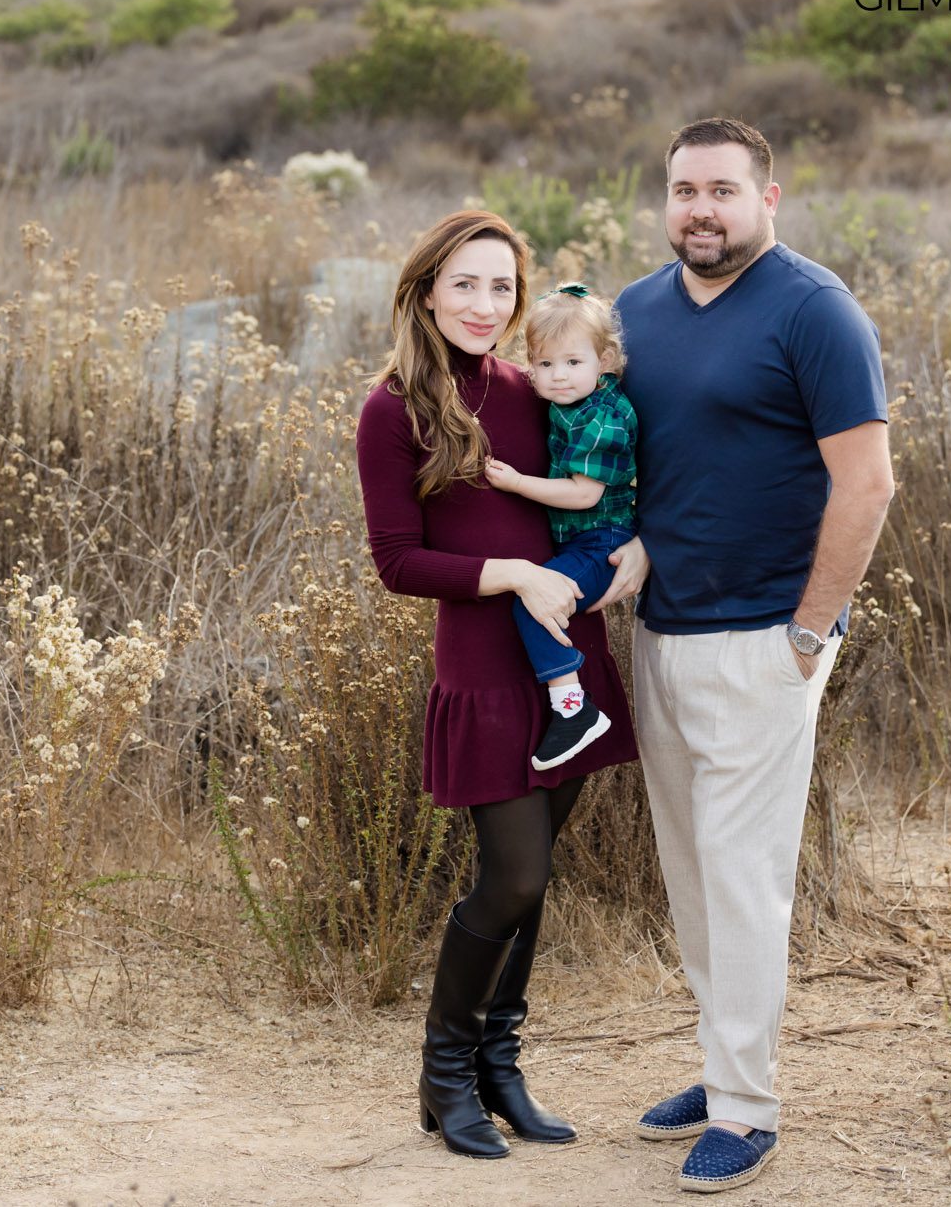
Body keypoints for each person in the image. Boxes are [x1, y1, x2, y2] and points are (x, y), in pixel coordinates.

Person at [596, 119, 895, 1193]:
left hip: (767, 638)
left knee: (744, 876)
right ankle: (724, 1061)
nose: (701, 210)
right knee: (690, 872)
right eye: (684, 190)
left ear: (768, 197)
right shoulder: (635, 311)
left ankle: (746, 1110)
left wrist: (809, 631)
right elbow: (626, 459)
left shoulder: (815, 311)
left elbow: (866, 482)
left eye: (723, 190)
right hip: (661, 632)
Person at [355, 211, 639, 1160]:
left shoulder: (537, 387)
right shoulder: (394, 408)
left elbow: (609, 482)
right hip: (483, 665)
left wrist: (635, 547)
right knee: (511, 874)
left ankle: (499, 1066)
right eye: (465, 284)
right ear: (426, 291)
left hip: (567, 658)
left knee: (536, 875)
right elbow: (397, 561)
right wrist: (513, 574)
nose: (484, 305)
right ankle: (444, 1076)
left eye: (502, 287)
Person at [484, 283, 638, 772]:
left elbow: (584, 494)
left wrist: (516, 483)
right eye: (545, 364)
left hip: (603, 540)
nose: (559, 376)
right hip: (583, 539)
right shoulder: (567, 402)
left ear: (604, 360)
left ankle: (573, 709)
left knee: (536, 603)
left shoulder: (603, 417)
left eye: (573, 362)